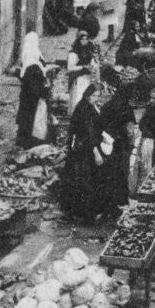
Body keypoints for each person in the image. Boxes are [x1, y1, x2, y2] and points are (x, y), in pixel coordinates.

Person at [60, 83, 107, 223]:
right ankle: (86, 214)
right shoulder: (85, 109)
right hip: (84, 151)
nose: (97, 98)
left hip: (80, 150)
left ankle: (76, 212)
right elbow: (88, 133)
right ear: (89, 95)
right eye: (96, 96)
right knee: (85, 181)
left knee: (79, 181)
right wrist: (96, 152)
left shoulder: (85, 105)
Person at [100, 83, 136, 217]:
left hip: (107, 144)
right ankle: (118, 203)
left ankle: (106, 204)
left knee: (108, 174)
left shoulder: (108, 105)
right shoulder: (127, 109)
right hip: (121, 145)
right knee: (121, 174)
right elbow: (130, 131)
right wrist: (132, 146)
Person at [16, 32, 53, 149]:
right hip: (33, 97)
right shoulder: (33, 60)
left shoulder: (28, 54)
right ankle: (30, 143)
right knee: (32, 119)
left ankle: (25, 141)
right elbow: (34, 83)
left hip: (27, 95)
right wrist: (44, 93)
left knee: (26, 118)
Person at [67, 29, 99, 114]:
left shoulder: (89, 50)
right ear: (78, 40)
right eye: (82, 39)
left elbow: (93, 61)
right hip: (78, 76)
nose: (84, 41)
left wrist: (93, 65)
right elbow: (70, 68)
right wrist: (82, 67)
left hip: (88, 77)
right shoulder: (73, 53)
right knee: (80, 96)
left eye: (86, 39)